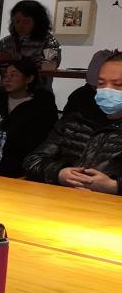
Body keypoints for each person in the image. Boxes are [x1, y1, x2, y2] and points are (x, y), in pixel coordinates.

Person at [23, 53, 122, 194]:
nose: (107, 90)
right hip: (61, 199)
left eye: (117, 84)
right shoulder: (75, 120)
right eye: (101, 83)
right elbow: (33, 160)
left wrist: (114, 186)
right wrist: (59, 173)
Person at [0, 0, 62, 76]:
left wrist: (18, 60)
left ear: (37, 22)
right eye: (17, 21)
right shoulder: (5, 42)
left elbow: (50, 66)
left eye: (25, 22)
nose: (20, 26)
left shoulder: (49, 41)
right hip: (7, 83)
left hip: (37, 82)